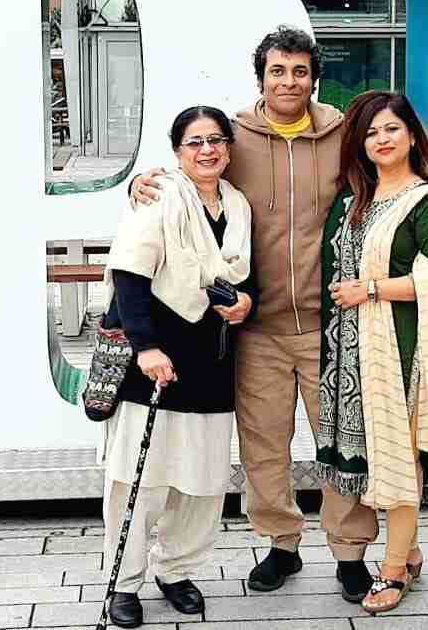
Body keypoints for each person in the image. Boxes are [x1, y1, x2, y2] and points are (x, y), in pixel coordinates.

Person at [132, 26, 428, 602]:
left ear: (315, 77)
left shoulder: (342, 133)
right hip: (256, 329)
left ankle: (350, 551)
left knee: (344, 443)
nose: (290, 82)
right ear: (260, 76)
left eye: (300, 72)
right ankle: (280, 543)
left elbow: (393, 181)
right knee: (264, 446)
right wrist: (143, 183)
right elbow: (193, 180)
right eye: (277, 71)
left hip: (336, 326)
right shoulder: (233, 137)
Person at [98, 106, 258, 629]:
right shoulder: (159, 195)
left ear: (229, 148)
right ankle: (124, 580)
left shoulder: (238, 205)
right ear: (176, 150)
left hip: (211, 360)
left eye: (216, 140)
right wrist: (145, 347)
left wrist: (244, 303)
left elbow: (240, 278)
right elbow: (129, 273)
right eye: (194, 142)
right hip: (157, 364)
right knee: (138, 481)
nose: (207, 150)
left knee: (201, 481)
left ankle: (176, 570)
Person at [318, 90, 428, 614]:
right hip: (348, 353)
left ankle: (394, 570)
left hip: (399, 350)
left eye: (391, 129)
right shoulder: (354, 197)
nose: (381, 140)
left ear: (411, 134)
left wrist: (372, 290)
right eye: (370, 132)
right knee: (369, 462)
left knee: (399, 460)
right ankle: (411, 549)